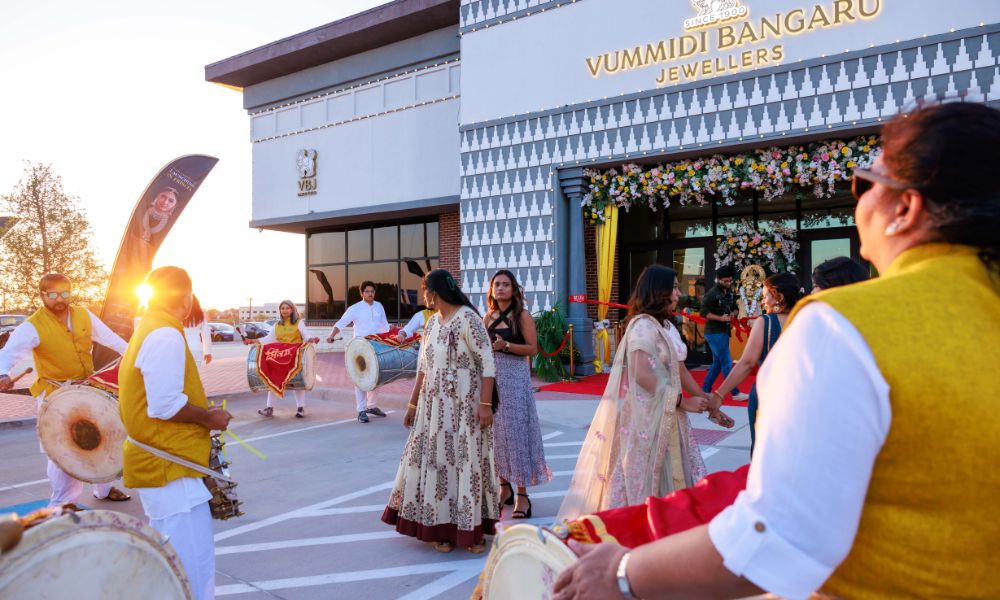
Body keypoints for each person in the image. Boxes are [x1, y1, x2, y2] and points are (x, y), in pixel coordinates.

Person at [552, 102, 1000, 599]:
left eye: (864, 183)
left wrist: (624, 572)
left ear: (905, 208)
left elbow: (781, 535)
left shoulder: (843, 325)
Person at [557, 265, 709, 521]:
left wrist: (707, 402)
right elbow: (640, 373)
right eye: (673, 287)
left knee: (674, 473)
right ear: (658, 291)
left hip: (669, 414)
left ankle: (669, 532)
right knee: (646, 478)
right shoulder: (642, 326)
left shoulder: (667, 327)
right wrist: (683, 402)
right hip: (646, 419)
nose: (678, 292)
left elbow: (680, 369)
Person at [119, 266, 232, 600]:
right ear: (185, 297)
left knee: (170, 564)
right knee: (192, 568)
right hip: (169, 470)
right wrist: (208, 417)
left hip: (164, 466)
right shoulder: (164, 334)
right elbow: (164, 405)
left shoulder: (150, 329)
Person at [381, 269, 500, 553]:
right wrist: (411, 404)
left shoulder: (468, 319)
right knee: (437, 466)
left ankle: (472, 531)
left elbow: (487, 363)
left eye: (424, 291)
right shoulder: (432, 324)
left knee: (466, 463)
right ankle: (441, 529)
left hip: (465, 407)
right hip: (432, 409)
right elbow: (423, 368)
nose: (424, 297)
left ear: (433, 292)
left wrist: (485, 405)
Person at [0, 273, 132, 506]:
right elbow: (7, 354)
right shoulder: (32, 326)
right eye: (53, 295)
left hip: (88, 390)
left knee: (104, 436)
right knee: (63, 448)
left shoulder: (83, 315)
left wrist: (136, 355)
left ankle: (104, 488)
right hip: (55, 396)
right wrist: (3, 374)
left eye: (65, 293)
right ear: (42, 295)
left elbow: (112, 340)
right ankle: (63, 502)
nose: (60, 299)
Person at [712, 273, 803, 456]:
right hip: (801, 395)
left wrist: (720, 394)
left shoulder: (766, 322)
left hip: (768, 395)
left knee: (765, 452)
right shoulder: (807, 319)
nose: (763, 301)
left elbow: (746, 363)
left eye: (765, 296)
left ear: (779, 297)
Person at [484, 269, 551, 519]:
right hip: (493, 382)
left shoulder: (521, 316)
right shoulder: (487, 317)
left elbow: (532, 348)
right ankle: (504, 488)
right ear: (491, 289)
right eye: (496, 284)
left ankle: (522, 495)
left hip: (515, 382)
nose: (500, 288)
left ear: (513, 289)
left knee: (516, 436)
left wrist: (507, 346)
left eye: (505, 284)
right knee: (496, 437)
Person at [326, 281, 390, 423]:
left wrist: (393, 337)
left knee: (377, 375)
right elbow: (341, 323)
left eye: (372, 291)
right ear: (362, 293)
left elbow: (384, 325)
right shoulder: (355, 308)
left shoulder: (379, 306)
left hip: (376, 345)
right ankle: (361, 410)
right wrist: (331, 335)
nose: (370, 294)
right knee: (360, 378)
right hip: (360, 347)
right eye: (367, 291)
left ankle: (371, 406)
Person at [252, 300, 319, 418]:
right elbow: (268, 339)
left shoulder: (299, 323)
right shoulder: (277, 325)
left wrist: (311, 339)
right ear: (280, 311)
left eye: (287, 308)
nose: (285, 310)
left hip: (295, 354)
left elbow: (306, 336)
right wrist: (253, 341)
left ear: (292, 310)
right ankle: (269, 408)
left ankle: (300, 408)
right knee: (272, 378)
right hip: (281, 355)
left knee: (298, 381)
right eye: (282, 308)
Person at [699, 265, 748, 400]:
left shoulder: (730, 292)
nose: (728, 283)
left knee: (718, 363)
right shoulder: (711, 294)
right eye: (725, 281)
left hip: (723, 332)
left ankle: (705, 390)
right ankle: (735, 393)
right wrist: (720, 318)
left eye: (730, 280)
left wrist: (734, 313)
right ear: (718, 280)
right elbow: (704, 313)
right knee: (726, 363)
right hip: (714, 333)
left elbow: (736, 308)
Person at [182, 295, 213, 366]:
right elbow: (206, 335)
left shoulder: (180, 315)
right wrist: (208, 352)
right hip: (197, 349)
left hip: (182, 349)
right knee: (194, 376)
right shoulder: (201, 315)